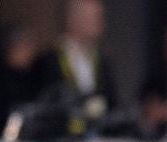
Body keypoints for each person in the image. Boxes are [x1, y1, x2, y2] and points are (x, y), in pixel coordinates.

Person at [33, 0, 118, 131]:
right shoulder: (49, 60)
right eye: (94, 17)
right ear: (73, 19)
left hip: (99, 138)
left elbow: (112, 102)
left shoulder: (102, 61)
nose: (101, 23)